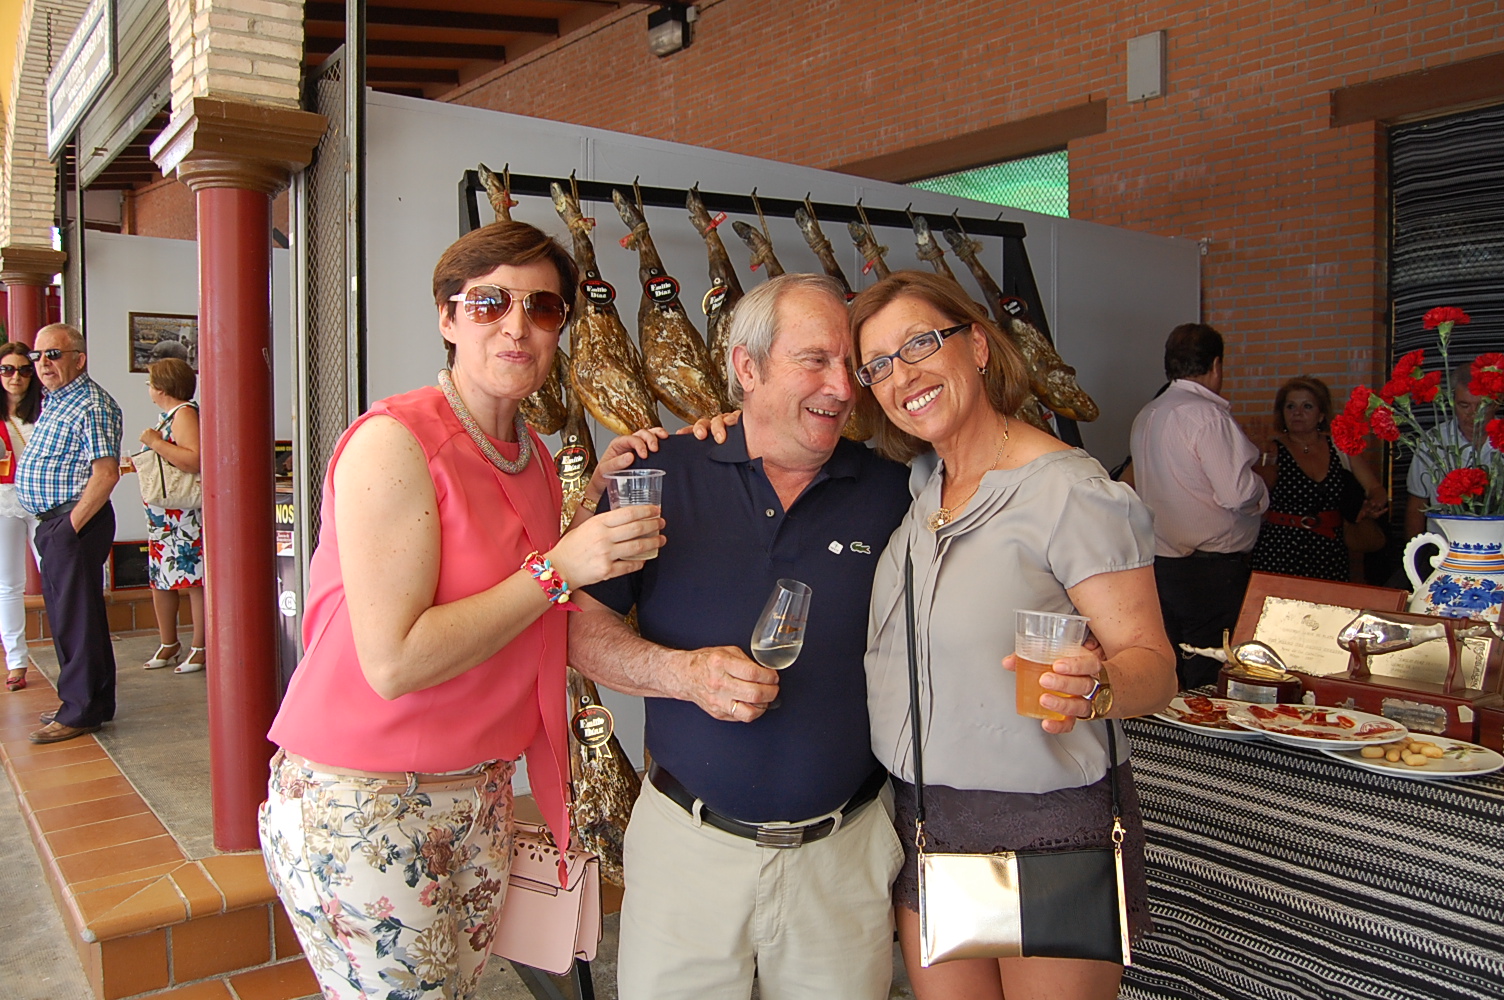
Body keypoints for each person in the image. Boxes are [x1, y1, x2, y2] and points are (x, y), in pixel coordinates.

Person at [259, 221, 663, 1000]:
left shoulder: (531, 454)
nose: (517, 324)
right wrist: (560, 565)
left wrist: (590, 505)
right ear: (448, 318)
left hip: (478, 791)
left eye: (542, 308)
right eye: (489, 303)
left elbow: (524, 602)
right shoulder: (396, 442)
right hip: (368, 797)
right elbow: (396, 660)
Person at [567, 273, 913, 1000]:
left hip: (842, 858)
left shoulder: (894, 493)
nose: (843, 387)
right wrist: (681, 675)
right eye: (814, 360)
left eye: (852, 364)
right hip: (688, 852)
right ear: (746, 367)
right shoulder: (659, 473)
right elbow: (580, 628)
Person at [851, 271, 1175, 1000]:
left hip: (1046, 829)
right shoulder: (920, 493)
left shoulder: (1069, 490)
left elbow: (1156, 667)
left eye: (919, 345)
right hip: (925, 823)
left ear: (978, 347)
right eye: (877, 366)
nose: (902, 376)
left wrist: (1098, 687)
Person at [1129, 323, 1268, 688]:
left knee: (1173, 665)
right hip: (1211, 571)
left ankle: (1170, 743)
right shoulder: (1206, 416)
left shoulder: (1149, 414)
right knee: (1210, 670)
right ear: (1216, 365)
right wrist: (1262, 487)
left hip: (1161, 563)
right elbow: (1237, 493)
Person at [17, 323, 123, 743]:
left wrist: (69, 527)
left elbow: (106, 473)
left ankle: (79, 711)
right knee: (76, 617)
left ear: (78, 359)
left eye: (53, 355)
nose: (42, 364)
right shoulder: (57, 400)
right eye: (37, 356)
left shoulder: (91, 404)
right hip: (58, 522)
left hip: (74, 522)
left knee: (74, 620)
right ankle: (89, 703)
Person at [1250, 376, 1388, 582]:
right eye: (1290, 406)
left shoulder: (1339, 447)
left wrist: (1375, 503)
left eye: (1307, 406)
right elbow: (1256, 499)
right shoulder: (1272, 450)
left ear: (1321, 414)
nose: (1297, 413)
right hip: (1279, 548)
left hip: (1328, 549)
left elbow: (1375, 487)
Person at [134, 358, 207, 673]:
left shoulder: (184, 414)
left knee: (193, 580)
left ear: (161, 388)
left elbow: (193, 460)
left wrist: (155, 444)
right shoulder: (171, 415)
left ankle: (199, 645)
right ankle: (169, 642)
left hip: (184, 513)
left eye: (150, 383)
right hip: (166, 515)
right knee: (161, 578)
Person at [1405, 360, 1497, 540]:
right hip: (1443, 551)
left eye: (1481, 406)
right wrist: (1416, 560)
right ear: (1452, 402)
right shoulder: (1432, 442)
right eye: (1464, 406)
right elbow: (1416, 507)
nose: (1472, 415)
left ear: (1495, 404)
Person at [0, 342, 41, 692]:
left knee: (57, 577)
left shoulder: (44, 411)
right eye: (8, 370)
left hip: (42, 501)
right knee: (8, 584)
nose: (16, 377)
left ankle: (73, 656)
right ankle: (16, 660)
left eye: (25, 370)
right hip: (2, 500)